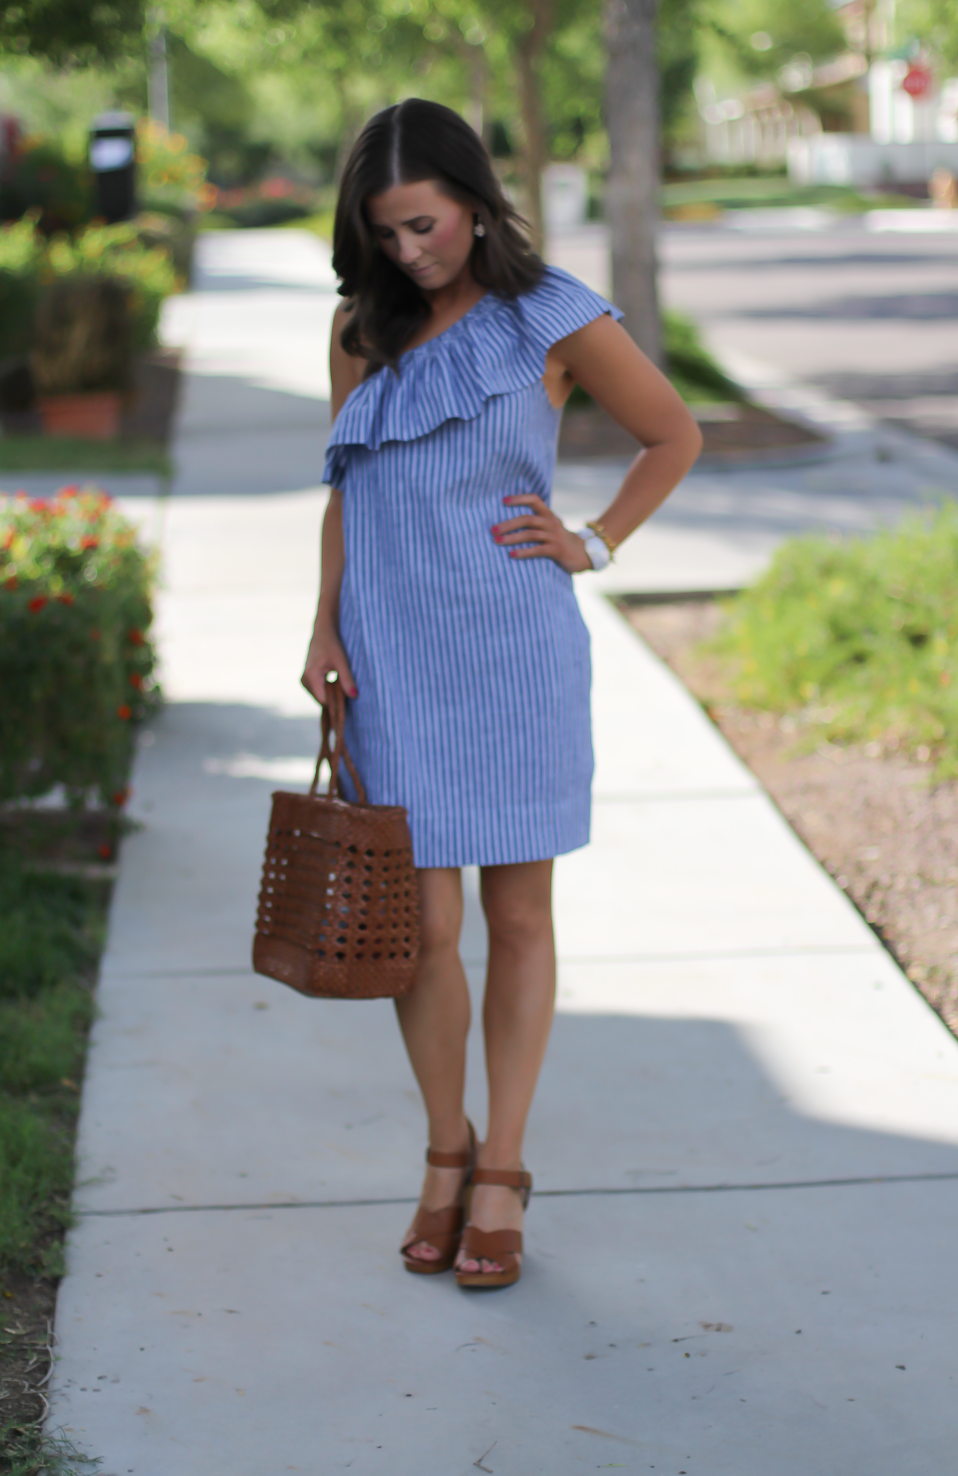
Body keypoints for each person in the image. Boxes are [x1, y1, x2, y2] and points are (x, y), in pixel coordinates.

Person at [302, 98, 702, 1289]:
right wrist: (322, 621)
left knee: (518, 919)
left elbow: (670, 436)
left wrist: (595, 542)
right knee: (418, 928)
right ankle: (443, 1148)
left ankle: (503, 1168)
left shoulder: (554, 317)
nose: (408, 251)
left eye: (423, 224)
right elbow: (345, 488)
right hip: (389, 658)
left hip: (512, 653)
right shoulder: (357, 328)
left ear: (474, 203)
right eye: (384, 232)